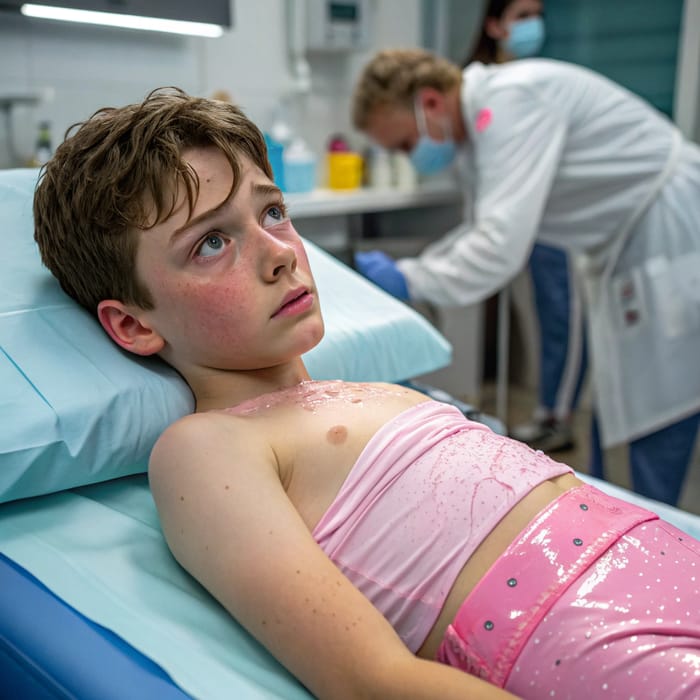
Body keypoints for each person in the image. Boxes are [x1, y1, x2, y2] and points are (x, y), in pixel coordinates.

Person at [33, 88, 700, 700]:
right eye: (212, 242)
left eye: (273, 212)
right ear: (133, 324)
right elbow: (374, 680)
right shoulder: (209, 447)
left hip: (668, 553)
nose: (281, 253)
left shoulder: (373, 390)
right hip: (581, 630)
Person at [350, 48, 700, 507]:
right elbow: (482, 231)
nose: (409, 157)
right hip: (623, 243)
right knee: (621, 400)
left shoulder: (513, 101)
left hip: (672, 232)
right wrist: (410, 271)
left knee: (659, 399)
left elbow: (497, 247)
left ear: (430, 103)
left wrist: (409, 278)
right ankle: (627, 515)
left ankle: (664, 540)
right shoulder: (480, 133)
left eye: (404, 145)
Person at [464, 0, 587, 453]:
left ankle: (555, 414)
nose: (534, 24)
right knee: (529, 316)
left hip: (549, 222)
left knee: (559, 317)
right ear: (494, 24)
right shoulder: (476, 86)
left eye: (538, 13)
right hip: (506, 218)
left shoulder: (541, 83)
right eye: (522, 15)